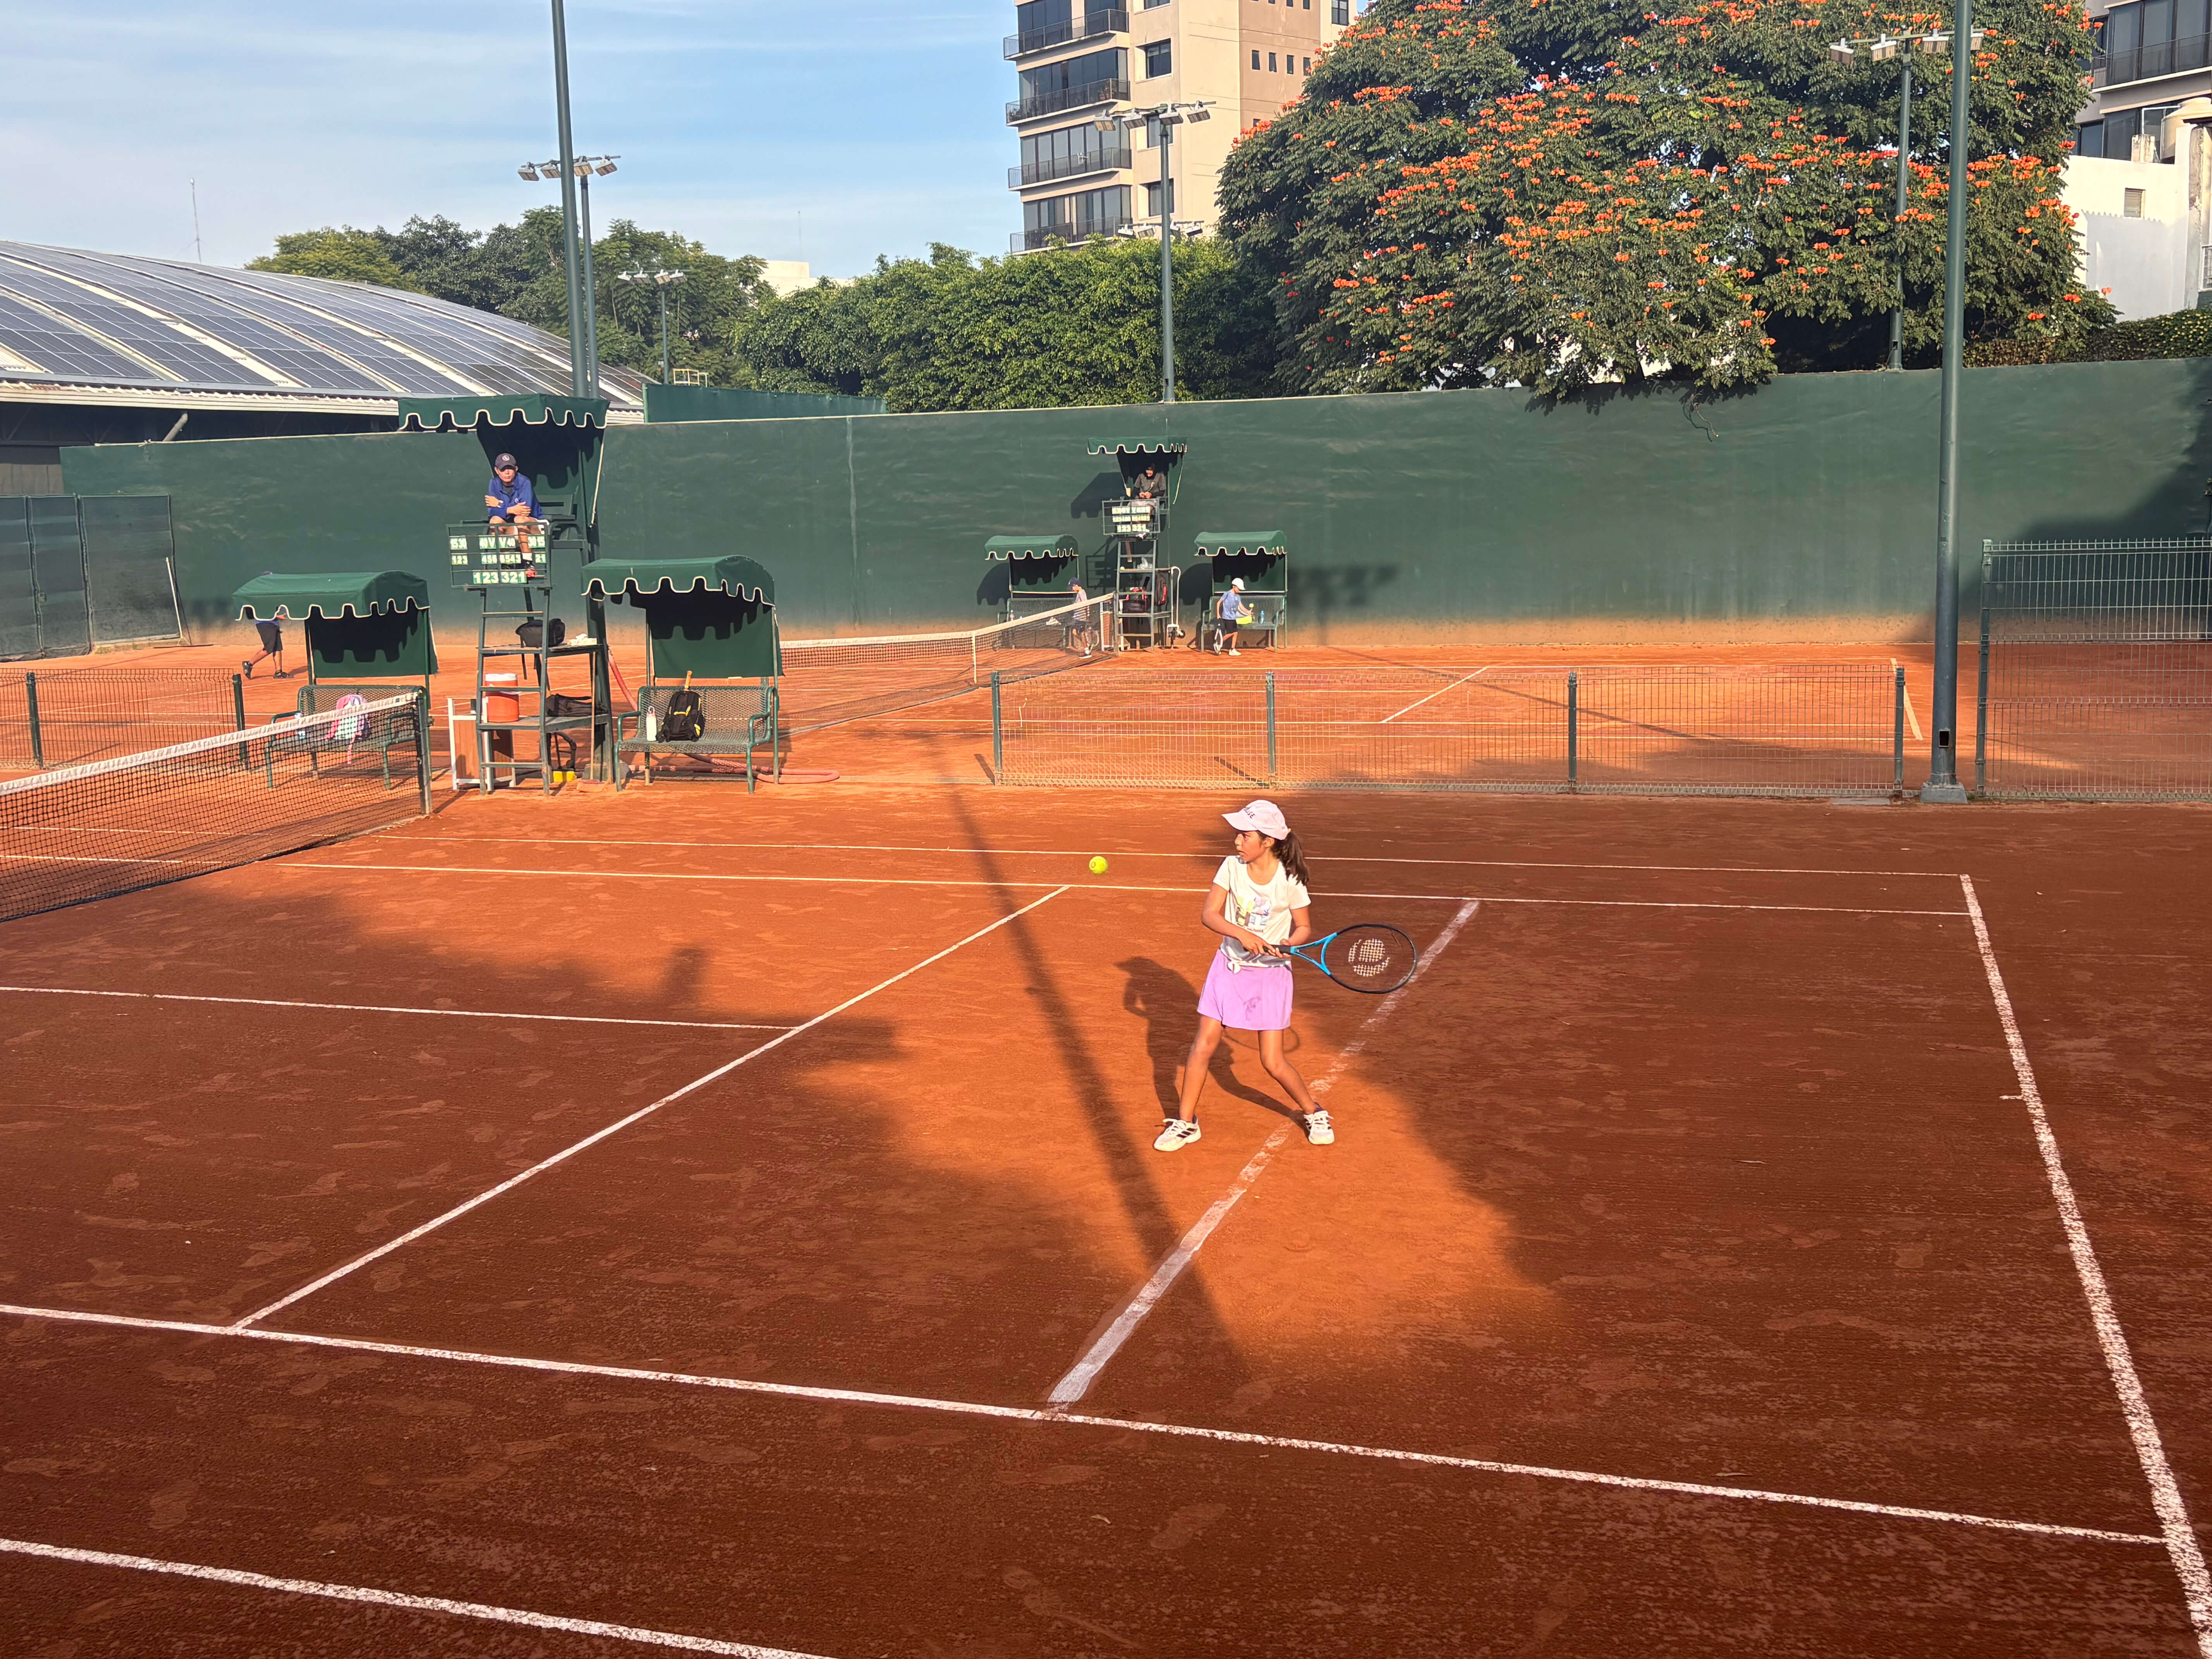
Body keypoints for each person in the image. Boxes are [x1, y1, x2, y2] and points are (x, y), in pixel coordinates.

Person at [1157, 799, 1329, 1152]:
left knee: (1272, 1061)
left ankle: (1314, 1112)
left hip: (1270, 977)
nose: (1237, 841)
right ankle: (1186, 1123)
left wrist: (1289, 943)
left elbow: (1304, 927)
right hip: (1228, 967)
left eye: (1245, 835)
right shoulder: (1231, 867)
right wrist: (1242, 935)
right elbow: (1210, 914)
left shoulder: (1290, 880)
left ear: (1268, 841)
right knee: (1203, 1045)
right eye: (1238, 834)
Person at [484, 454, 542, 537]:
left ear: (516, 469)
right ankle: (500, 547)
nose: (507, 473)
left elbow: (524, 511)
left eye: (510, 469)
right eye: (503, 469)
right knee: (495, 521)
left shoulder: (525, 482)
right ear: (497, 471)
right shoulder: (494, 483)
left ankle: (525, 547)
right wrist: (511, 510)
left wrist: (500, 505)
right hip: (511, 525)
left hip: (534, 525)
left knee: (520, 520)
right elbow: (492, 512)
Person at [241, 611, 286, 680]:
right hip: (265, 624)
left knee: (278, 647)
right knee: (269, 648)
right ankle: (249, 664)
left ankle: (279, 672)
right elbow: (262, 612)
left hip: (274, 623)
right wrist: (277, 617)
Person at [1214, 577, 1246, 656]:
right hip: (1227, 618)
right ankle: (1218, 643)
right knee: (1231, 633)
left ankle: (1232, 650)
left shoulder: (1238, 597)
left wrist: (1248, 612)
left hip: (1233, 618)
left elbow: (1241, 607)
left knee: (1236, 633)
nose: (1239, 590)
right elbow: (1219, 603)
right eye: (1239, 588)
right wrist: (1218, 614)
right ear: (1234, 586)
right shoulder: (1227, 594)